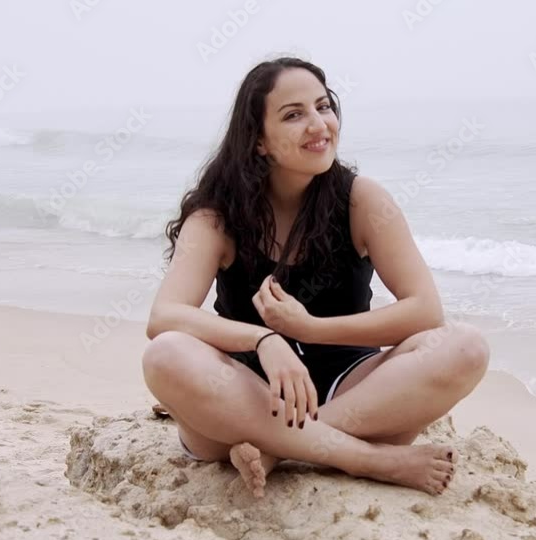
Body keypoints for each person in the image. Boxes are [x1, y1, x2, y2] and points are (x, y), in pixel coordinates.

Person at [142, 57, 490, 499]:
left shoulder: (361, 200)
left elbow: (425, 311)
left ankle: (280, 449)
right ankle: (366, 459)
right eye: (293, 115)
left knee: (466, 346)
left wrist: (310, 329)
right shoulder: (217, 217)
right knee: (165, 354)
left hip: (356, 395)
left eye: (323, 107)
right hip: (246, 403)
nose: (318, 124)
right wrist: (265, 340)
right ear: (258, 140)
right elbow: (164, 316)